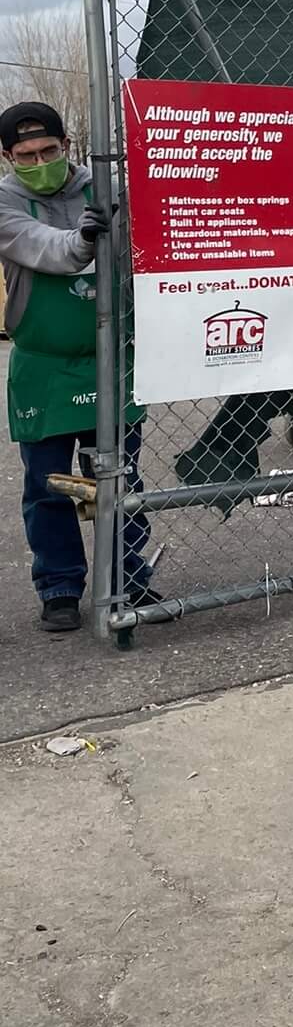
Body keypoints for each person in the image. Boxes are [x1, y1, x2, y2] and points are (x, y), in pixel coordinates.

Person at [0, 101, 157, 631]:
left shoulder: (107, 189)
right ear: (8, 156)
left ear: (66, 145)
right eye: (27, 155)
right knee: (49, 484)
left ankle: (127, 579)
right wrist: (86, 238)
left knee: (120, 480)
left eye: (49, 150)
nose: (39, 160)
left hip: (112, 361)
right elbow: (44, 248)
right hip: (45, 366)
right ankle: (61, 586)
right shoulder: (4, 201)